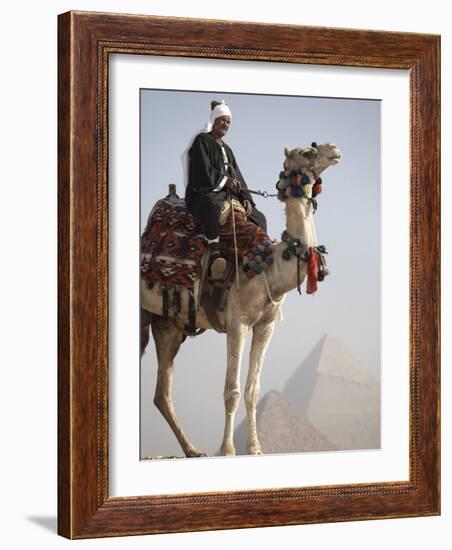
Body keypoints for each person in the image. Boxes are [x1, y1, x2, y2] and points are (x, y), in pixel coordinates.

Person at [184, 100, 267, 279]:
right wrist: (225, 181)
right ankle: (215, 253)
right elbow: (201, 170)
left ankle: (253, 257)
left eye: (228, 122)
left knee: (259, 217)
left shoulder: (227, 150)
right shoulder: (202, 141)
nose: (225, 125)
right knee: (212, 206)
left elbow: (238, 175)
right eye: (222, 120)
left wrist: (245, 197)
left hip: (228, 194)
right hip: (204, 191)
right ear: (214, 120)